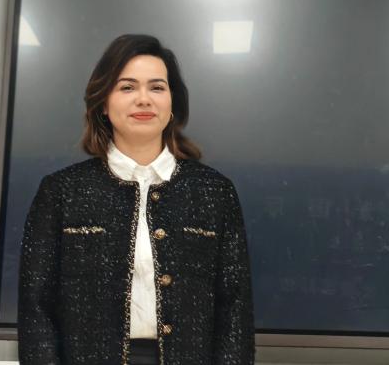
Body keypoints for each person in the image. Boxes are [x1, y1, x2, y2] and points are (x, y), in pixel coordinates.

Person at [18, 34, 255, 365]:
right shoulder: (62, 191)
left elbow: (234, 311)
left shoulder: (214, 192)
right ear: (103, 103)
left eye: (157, 87)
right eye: (127, 87)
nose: (144, 99)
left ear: (173, 104)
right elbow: (36, 309)